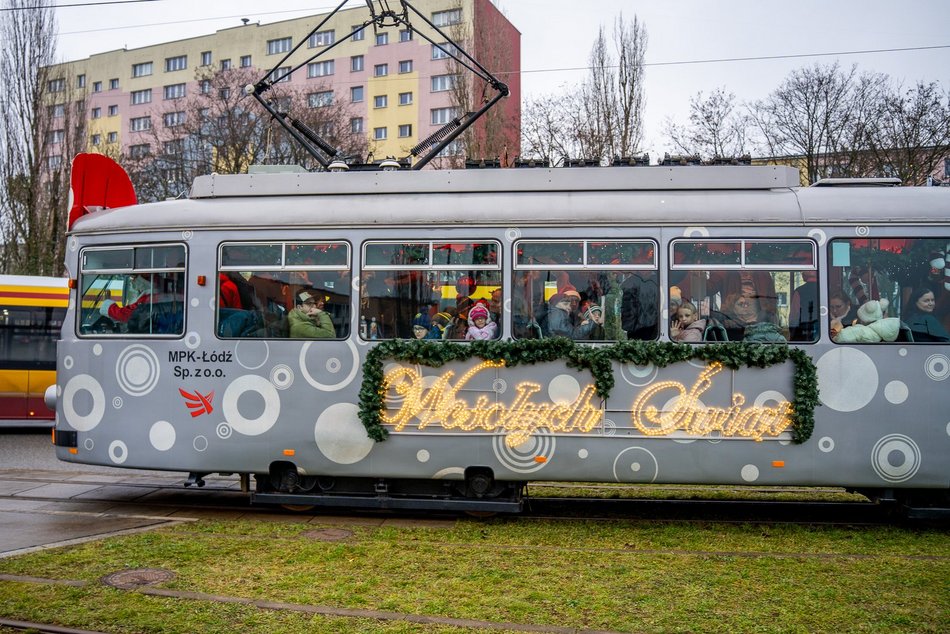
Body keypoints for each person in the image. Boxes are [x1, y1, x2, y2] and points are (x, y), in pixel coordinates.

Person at [788, 272, 819, 341]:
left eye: (802, 273)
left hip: (803, 330)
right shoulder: (826, 290)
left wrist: (792, 333)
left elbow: (794, 314)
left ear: (804, 276)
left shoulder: (799, 291)